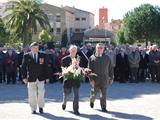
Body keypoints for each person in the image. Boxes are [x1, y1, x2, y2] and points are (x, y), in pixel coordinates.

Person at [21, 42, 49, 114]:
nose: (36, 49)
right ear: (31, 48)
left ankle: (41, 107)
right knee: (31, 94)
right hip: (31, 78)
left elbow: (46, 67)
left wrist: (47, 77)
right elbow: (23, 67)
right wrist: (24, 77)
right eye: (34, 48)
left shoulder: (43, 55)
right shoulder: (26, 56)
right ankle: (33, 108)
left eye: (37, 48)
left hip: (41, 77)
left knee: (41, 93)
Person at [88, 43, 114, 112]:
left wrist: (111, 78)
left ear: (103, 49)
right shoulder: (92, 58)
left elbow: (111, 69)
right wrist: (91, 80)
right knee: (94, 93)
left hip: (104, 79)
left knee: (103, 94)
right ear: (96, 49)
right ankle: (91, 100)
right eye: (98, 48)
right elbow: (89, 70)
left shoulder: (107, 58)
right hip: (95, 80)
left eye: (101, 48)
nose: (99, 49)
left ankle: (103, 107)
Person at [61, 45, 82, 115]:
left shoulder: (78, 59)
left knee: (76, 95)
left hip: (76, 80)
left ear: (76, 51)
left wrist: (80, 69)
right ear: (69, 51)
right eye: (72, 50)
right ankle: (64, 103)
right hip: (68, 79)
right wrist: (70, 69)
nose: (73, 52)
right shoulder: (64, 59)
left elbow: (81, 68)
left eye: (75, 50)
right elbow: (63, 70)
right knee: (66, 94)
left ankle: (76, 109)